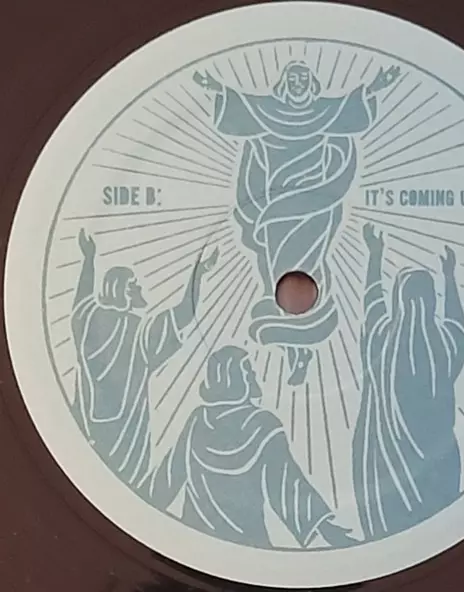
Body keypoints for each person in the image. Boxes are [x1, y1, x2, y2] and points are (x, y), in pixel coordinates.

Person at [194, 60, 401, 385]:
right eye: (293, 78)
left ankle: (298, 343)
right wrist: (218, 89)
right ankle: (296, 346)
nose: (299, 83)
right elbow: (245, 106)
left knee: (310, 266)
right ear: (284, 84)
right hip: (276, 207)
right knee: (273, 269)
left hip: (313, 208)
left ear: (313, 84)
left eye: (304, 78)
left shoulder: (325, 113)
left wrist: (374, 87)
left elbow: (347, 107)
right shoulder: (268, 112)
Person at [138, 345, 356, 549]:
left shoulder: (199, 420)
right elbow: (288, 487)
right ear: (236, 379)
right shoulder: (263, 425)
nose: (253, 376)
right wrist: (326, 528)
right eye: (248, 372)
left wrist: (139, 512)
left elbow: (167, 477)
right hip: (247, 542)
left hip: (196, 542)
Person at [70, 229, 218, 485]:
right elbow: (184, 313)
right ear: (123, 292)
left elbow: (82, 299)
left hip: (89, 427)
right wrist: (199, 273)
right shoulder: (139, 331)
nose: (139, 288)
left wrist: (89, 259)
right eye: (133, 285)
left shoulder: (89, 319)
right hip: (128, 435)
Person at [352, 224, 464, 541]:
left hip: (385, 470)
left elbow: (372, 302)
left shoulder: (380, 340)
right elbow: (457, 323)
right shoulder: (444, 346)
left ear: (398, 300)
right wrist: (450, 277)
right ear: (431, 300)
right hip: (439, 467)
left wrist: (375, 255)